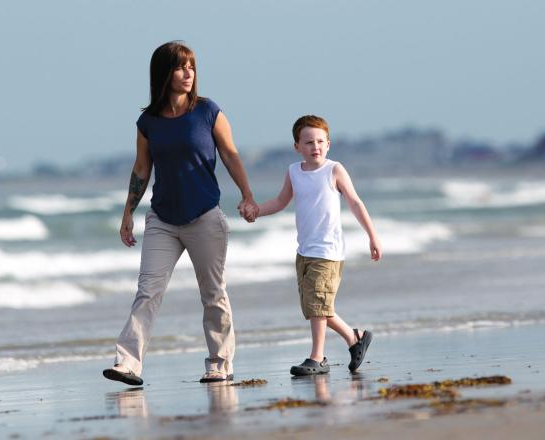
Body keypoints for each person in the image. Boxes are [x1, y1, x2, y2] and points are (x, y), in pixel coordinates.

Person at [103, 41, 258, 386]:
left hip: (204, 216)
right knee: (148, 290)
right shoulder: (148, 122)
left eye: (191, 66)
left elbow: (231, 155)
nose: (188, 73)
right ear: (164, 73)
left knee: (213, 292)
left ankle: (219, 363)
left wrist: (247, 196)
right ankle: (127, 363)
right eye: (179, 67)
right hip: (162, 219)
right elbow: (142, 169)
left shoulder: (207, 111)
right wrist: (127, 212)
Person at [254, 115, 381, 376]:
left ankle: (318, 357)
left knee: (317, 305)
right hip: (304, 250)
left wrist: (372, 236)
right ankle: (354, 337)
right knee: (315, 306)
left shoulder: (334, 170)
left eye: (320, 141)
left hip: (328, 251)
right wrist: (256, 210)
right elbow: (280, 202)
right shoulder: (293, 171)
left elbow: (356, 203)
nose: (316, 147)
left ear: (329, 144)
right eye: (309, 142)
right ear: (297, 147)